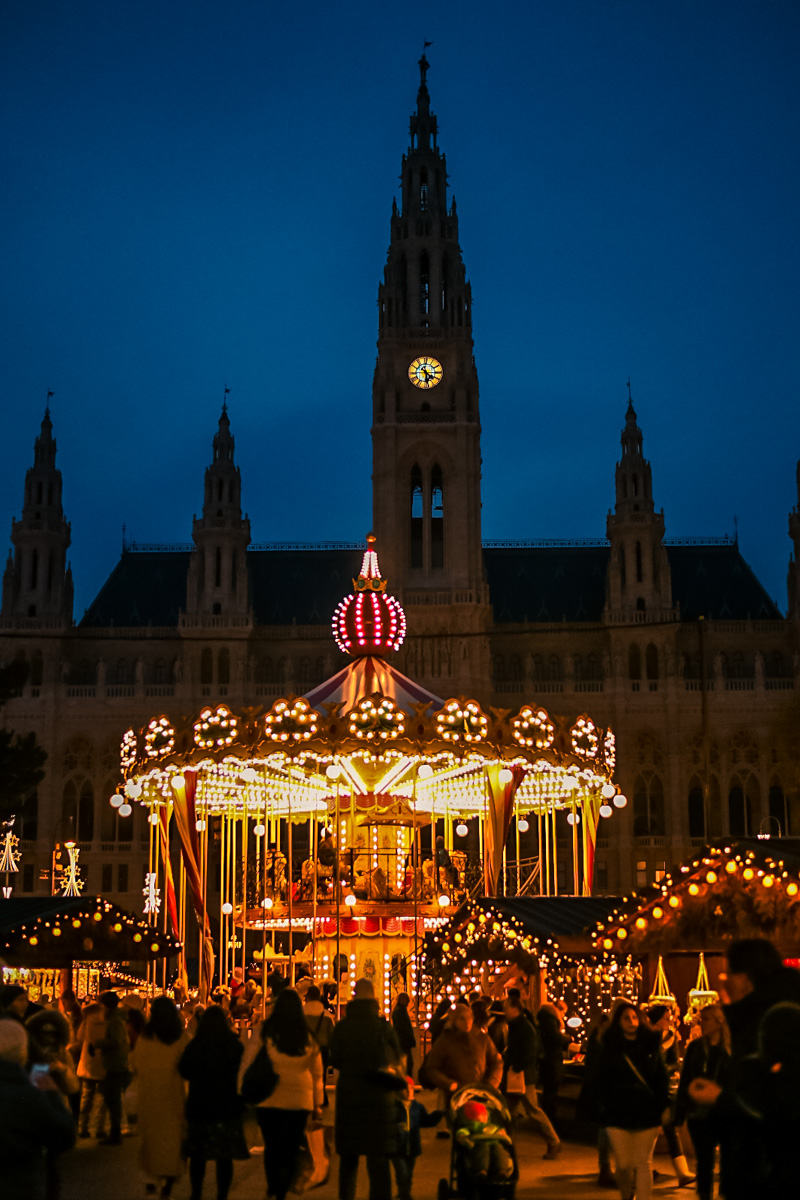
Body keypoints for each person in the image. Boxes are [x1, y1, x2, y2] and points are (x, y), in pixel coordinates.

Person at [329, 977, 403, 1200]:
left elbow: (336, 1059)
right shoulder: (384, 1027)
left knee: (349, 1160)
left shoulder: (342, 1027)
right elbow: (397, 1056)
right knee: (378, 1160)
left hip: (349, 1096)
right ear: (374, 999)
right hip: (380, 1097)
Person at [247, 987, 324, 1200]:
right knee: (291, 1146)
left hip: (269, 1096)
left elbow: (249, 1058)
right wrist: (318, 1103)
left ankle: (273, 1185)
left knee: (272, 1146)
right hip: (300, 1099)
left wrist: (242, 1088)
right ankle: (283, 1189)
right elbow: (317, 1073)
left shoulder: (266, 1030)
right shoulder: (307, 1036)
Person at [594, 1000, 670, 1200]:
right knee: (623, 1164)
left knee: (644, 1163)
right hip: (618, 1111)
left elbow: (660, 1077)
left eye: (634, 1017)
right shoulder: (609, 1047)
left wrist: (663, 1105)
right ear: (618, 1022)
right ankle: (627, 1196)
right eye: (626, 1018)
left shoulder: (651, 1045)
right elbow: (601, 1078)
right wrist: (605, 1104)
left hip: (647, 1110)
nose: (631, 1021)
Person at [0, 1019, 76, 1200]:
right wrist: (49, 1090)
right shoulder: (28, 1094)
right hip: (18, 1184)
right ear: (23, 1052)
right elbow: (63, 1134)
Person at [178, 1004, 247, 1200]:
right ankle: (222, 1194)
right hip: (227, 1105)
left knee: (198, 1156)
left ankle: (197, 1192)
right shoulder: (234, 1045)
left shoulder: (196, 1045)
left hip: (200, 1105)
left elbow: (184, 1070)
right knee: (224, 1157)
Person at [131, 995, 190, 1199]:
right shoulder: (181, 1037)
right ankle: (168, 1181)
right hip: (173, 1094)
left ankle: (150, 1179)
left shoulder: (145, 1037)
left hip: (149, 1094)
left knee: (150, 1138)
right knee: (172, 1139)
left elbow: (136, 1063)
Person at [674, 1004, 732, 1200]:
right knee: (704, 1160)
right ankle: (704, 1195)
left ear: (719, 1021)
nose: (701, 1024)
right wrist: (680, 1112)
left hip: (725, 1112)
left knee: (729, 1159)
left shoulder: (731, 1048)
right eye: (701, 1019)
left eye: (705, 1019)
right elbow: (686, 1080)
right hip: (699, 1113)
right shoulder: (696, 1048)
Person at [503, 995, 560, 1159]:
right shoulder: (518, 1026)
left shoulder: (524, 1028)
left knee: (531, 1110)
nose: (504, 1011)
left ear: (515, 1009)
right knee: (509, 1112)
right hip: (518, 1074)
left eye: (507, 1007)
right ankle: (505, 1145)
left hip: (522, 1076)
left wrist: (516, 1065)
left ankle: (553, 1141)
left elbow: (530, 1052)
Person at [646, 1003, 694, 1186]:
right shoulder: (645, 1036)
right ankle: (642, 1167)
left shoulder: (670, 1037)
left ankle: (682, 1172)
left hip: (661, 1088)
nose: (669, 1021)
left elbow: (674, 1062)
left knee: (669, 1128)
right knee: (647, 1130)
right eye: (666, 1018)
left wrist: (663, 1070)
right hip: (645, 1089)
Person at [423, 1003, 503, 1093]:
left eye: (469, 1018)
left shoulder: (481, 1038)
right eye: (462, 1019)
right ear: (454, 1021)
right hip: (456, 1094)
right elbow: (432, 1068)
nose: (467, 1022)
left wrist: (491, 1083)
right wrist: (448, 1084)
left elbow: (496, 1061)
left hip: (481, 1092)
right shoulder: (445, 1041)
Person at [392, 1075, 443, 1200]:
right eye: (405, 1088)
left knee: (409, 1173)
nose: (409, 1091)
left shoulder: (417, 1106)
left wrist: (438, 1115)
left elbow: (425, 1121)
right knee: (402, 1172)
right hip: (397, 1147)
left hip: (413, 1146)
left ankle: (405, 1192)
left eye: (411, 1088)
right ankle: (404, 1193)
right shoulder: (393, 1107)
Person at [94, 990, 131, 1145]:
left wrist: (98, 1043)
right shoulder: (116, 1018)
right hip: (116, 1063)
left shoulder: (115, 1020)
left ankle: (115, 1133)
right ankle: (115, 1132)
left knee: (113, 1099)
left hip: (116, 1064)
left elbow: (115, 1041)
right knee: (112, 1098)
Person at [536, 1000, 578, 1129]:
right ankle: (549, 1121)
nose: (564, 1015)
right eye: (563, 1012)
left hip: (547, 1062)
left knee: (549, 1093)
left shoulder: (544, 1019)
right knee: (550, 1093)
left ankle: (548, 1119)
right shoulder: (550, 1021)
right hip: (551, 1062)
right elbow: (555, 1037)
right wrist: (568, 1039)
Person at [304, 984, 335, 1105]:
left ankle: (309, 1097)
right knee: (321, 1075)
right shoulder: (326, 1015)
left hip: (306, 1047)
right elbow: (331, 1034)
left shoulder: (301, 1012)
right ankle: (321, 1097)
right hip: (323, 1048)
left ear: (307, 997)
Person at [391, 993, 417, 1079]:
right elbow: (402, 1028)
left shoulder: (399, 1011)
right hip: (403, 1042)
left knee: (407, 1064)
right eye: (407, 999)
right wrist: (410, 1037)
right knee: (407, 1064)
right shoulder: (399, 1012)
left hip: (402, 1041)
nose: (409, 1001)